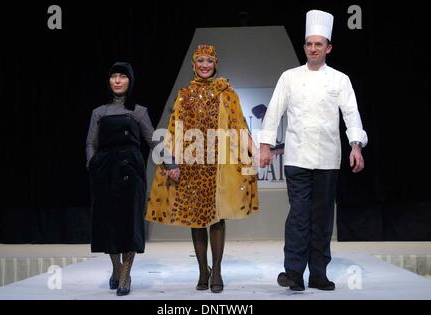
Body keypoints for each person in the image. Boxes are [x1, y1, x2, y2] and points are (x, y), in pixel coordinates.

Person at [259, 10, 368, 291]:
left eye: (318, 44)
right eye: (309, 44)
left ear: (328, 47)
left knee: (321, 218)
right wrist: (265, 146)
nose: (313, 48)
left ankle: (318, 273)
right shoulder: (289, 77)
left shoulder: (340, 80)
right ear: (304, 47)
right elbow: (273, 112)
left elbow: (352, 114)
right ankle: (294, 272)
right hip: (297, 157)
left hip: (328, 159)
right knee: (298, 215)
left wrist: (356, 145)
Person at [146, 44, 259, 293]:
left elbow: (240, 126)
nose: (205, 65)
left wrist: (255, 150)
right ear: (194, 65)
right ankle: (202, 271)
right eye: (200, 61)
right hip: (192, 165)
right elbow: (174, 129)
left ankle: (216, 271)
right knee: (196, 220)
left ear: (215, 64)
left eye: (209, 60)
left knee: (217, 218)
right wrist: (171, 162)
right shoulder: (184, 94)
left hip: (218, 165)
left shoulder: (226, 93)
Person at [86, 62, 170, 296]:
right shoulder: (99, 112)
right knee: (109, 224)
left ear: (130, 81)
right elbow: (90, 143)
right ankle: (116, 268)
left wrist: (170, 163)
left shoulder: (138, 111)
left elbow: (153, 140)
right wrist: (92, 165)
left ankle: (125, 275)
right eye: (114, 76)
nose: (118, 80)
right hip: (105, 171)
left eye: (123, 76)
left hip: (131, 171)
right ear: (109, 81)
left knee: (129, 223)